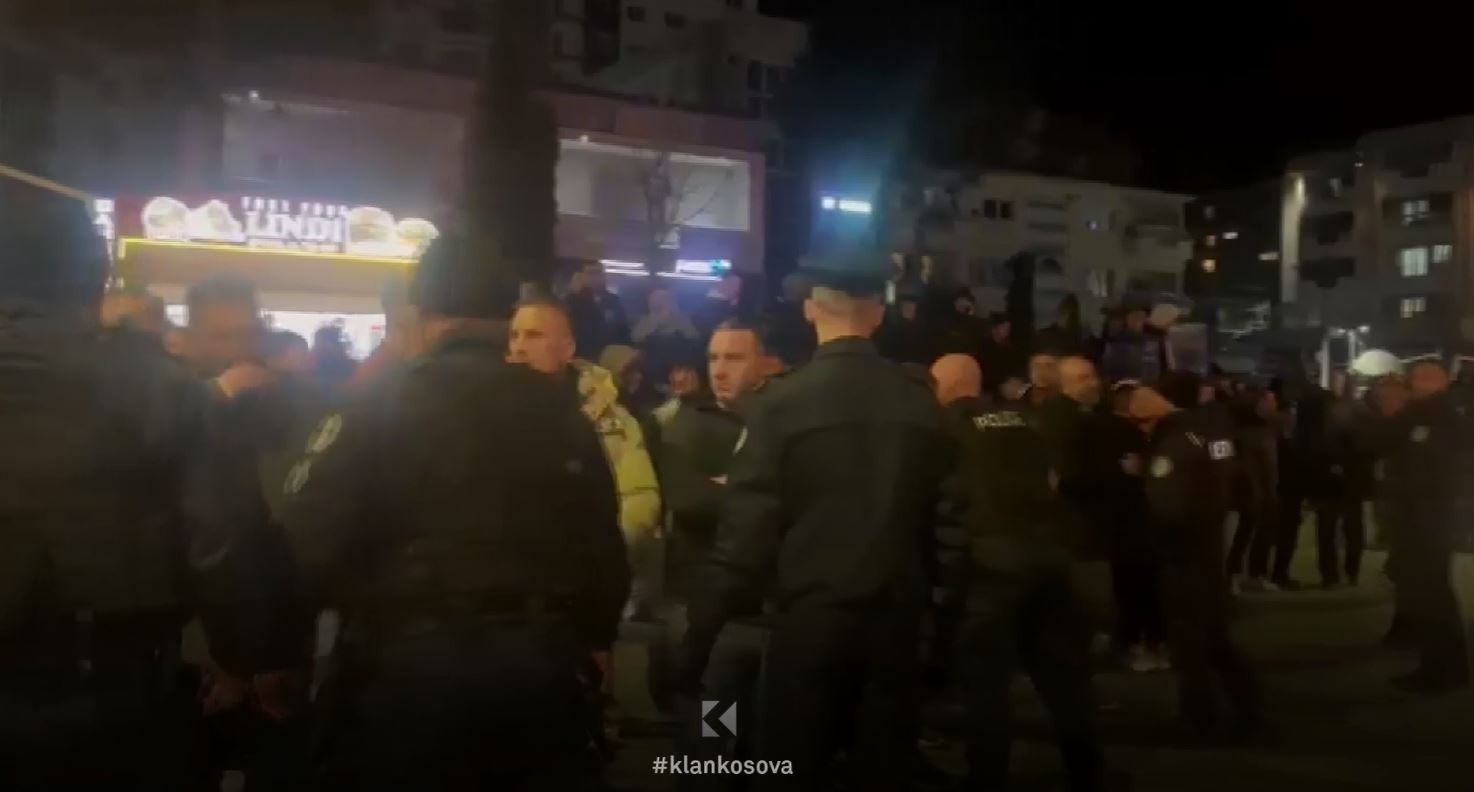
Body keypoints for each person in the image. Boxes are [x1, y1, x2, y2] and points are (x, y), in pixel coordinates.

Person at [277, 233, 631, 788]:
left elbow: (308, 538)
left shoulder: (374, 404)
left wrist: (273, 651)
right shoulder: (562, 412)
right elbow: (601, 540)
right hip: (538, 670)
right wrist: (595, 636)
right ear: (507, 315)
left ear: (421, 314)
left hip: (404, 673)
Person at [0, 178, 292, 789]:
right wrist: (241, 657)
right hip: (112, 677)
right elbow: (217, 537)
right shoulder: (154, 384)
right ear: (95, 279)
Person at [674, 254, 951, 790]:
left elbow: (744, 535)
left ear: (807, 313)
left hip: (796, 622)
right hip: (877, 623)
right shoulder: (917, 403)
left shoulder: (781, 407)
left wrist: (700, 633)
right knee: (722, 748)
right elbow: (947, 523)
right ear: (877, 314)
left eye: (734, 357)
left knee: (788, 761)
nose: (721, 369)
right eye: (715, 357)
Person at [933, 352, 1106, 791]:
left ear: (944, 387)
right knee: (1064, 680)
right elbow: (1052, 479)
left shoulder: (944, 430)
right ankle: (1087, 771)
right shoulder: (1022, 421)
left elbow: (946, 501)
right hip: (1048, 558)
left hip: (990, 568)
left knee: (985, 684)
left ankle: (987, 777)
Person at [509, 300, 662, 618]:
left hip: (579, 589)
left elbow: (639, 500)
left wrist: (588, 557)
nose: (519, 347)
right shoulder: (485, 407)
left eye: (534, 335)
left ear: (567, 348)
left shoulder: (609, 419)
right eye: (514, 336)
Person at [1132, 378, 1261, 740]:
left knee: (1189, 642)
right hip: (1207, 549)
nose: (1133, 405)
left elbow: (1169, 506)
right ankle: (1249, 708)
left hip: (1184, 556)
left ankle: (1198, 718)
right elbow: (1234, 481)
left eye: (1141, 397)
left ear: (1161, 400)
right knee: (1215, 638)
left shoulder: (1174, 442)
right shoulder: (1211, 430)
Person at [1381, 360, 1470, 694]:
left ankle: (1445, 669)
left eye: (1422, 378)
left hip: (1431, 521)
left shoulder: (1441, 417)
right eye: (1414, 378)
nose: (1414, 384)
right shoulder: (1423, 414)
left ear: (1439, 381)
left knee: (1433, 596)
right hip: (1423, 519)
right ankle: (1439, 665)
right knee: (1428, 594)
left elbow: (1435, 470)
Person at [1100, 382, 1165, 672]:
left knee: (1132, 590)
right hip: (1138, 525)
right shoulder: (1138, 436)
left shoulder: (1116, 433)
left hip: (1127, 526)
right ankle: (1141, 644)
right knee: (1140, 590)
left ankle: (1136, 644)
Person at [1315, 373, 1370, 588]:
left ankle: (1341, 572)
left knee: (1343, 529)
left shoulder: (1345, 410)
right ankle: (1338, 573)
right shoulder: (1343, 409)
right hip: (1337, 478)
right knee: (1337, 529)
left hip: (1342, 478)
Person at [1226, 387, 1282, 593]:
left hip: (1267, 490)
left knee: (1263, 534)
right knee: (1245, 533)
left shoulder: (1269, 428)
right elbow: (1248, 466)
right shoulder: (1246, 433)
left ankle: (1256, 574)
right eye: (1269, 401)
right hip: (1252, 491)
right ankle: (1233, 574)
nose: (1273, 405)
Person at [632, 284, 700, 394]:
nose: (661, 301)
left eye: (665, 298)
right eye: (657, 298)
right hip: (652, 368)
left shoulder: (682, 319)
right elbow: (636, 338)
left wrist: (675, 318)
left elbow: (693, 337)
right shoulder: (646, 320)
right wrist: (657, 322)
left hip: (677, 366)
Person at [566, 261, 631, 358]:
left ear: (604, 276)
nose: (595, 277)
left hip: (611, 357)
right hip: (583, 357)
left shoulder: (613, 300)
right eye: (590, 273)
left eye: (598, 273)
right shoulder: (574, 301)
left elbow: (623, 330)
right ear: (583, 276)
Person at [694, 270, 744, 340]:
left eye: (737, 285)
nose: (735, 289)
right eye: (730, 284)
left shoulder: (744, 306)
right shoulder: (710, 305)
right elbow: (700, 323)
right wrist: (719, 328)